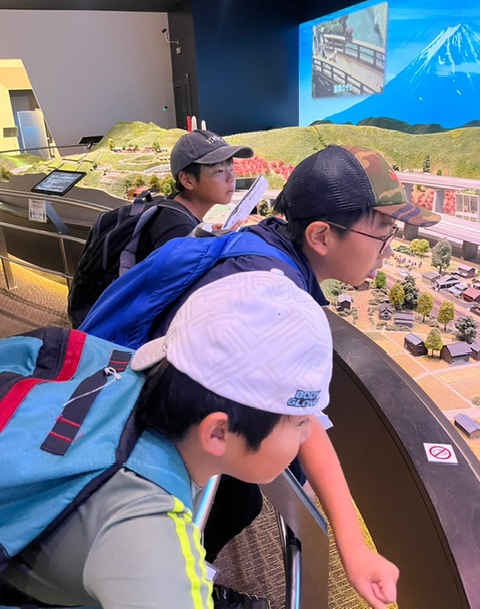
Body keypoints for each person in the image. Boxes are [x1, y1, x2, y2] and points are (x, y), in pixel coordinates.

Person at [82, 144, 441, 608]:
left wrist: (350, 544)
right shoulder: (267, 301)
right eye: (382, 234)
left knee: (242, 498)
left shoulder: (264, 253)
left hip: (130, 413)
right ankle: (187, 575)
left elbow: (301, 418)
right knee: (233, 501)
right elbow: (302, 419)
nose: (387, 252)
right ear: (321, 235)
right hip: (136, 459)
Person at [0, 270, 333, 609]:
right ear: (217, 432)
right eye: (300, 422)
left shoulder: (133, 369)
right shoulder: (146, 538)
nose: (308, 433)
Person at [135, 129, 253, 262]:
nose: (231, 178)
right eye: (219, 171)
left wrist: (204, 239)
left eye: (231, 169)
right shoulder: (178, 229)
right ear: (187, 180)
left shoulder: (174, 211)